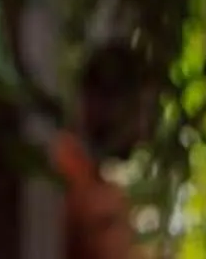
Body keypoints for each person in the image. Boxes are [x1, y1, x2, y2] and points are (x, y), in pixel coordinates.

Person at [50, 44, 160, 259]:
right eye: (138, 111)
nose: (143, 131)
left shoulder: (93, 183)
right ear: (100, 101)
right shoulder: (64, 167)